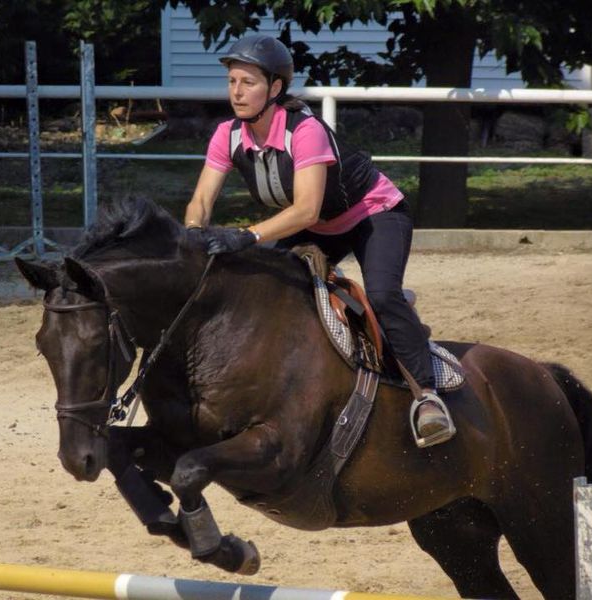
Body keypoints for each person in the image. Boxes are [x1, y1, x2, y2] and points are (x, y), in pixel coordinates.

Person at [183, 34, 455, 448]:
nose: (236, 92)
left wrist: (248, 235)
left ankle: (428, 396)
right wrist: (191, 237)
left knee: (381, 294)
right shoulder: (227, 134)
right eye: (232, 81)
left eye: (248, 82)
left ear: (275, 89)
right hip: (314, 226)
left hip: (373, 215)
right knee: (262, 287)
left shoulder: (305, 131)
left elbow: (307, 210)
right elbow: (201, 200)